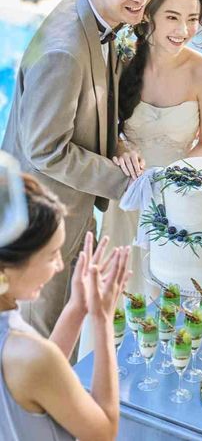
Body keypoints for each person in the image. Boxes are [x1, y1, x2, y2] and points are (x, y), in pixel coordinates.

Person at [1, 0, 154, 339]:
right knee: (42, 337)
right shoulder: (63, 52)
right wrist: (126, 183)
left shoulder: (98, 13)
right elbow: (45, 149)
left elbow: (92, 103)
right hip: (42, 222)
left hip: (76, 205)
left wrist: (118, 143)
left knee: (69, 328)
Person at [103, 0, 202, 294]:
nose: (184, 30)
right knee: (118, 289)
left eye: (192, 19)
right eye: (172, 17)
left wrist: (170, 179)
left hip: (176, 197)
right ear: (148, 14)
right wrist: (120, 147)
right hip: (127, 194)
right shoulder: (121, 59)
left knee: (168, 292)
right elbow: (105, 127)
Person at [0, 174, 131, 440]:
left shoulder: (25, 353)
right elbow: (104, 431)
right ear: (8, 267)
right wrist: (102, 319)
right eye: (51, 256)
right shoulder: (32, 356)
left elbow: (36, 379)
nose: (60, 265)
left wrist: (77, 307)